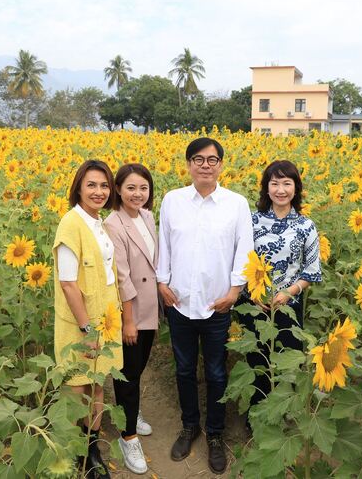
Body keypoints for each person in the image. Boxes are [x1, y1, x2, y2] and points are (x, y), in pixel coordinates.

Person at [156, 137, 253, 475]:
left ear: (221, 165)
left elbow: (245, 250)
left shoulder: (236, 204)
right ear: (188, 165)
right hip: (179, 303)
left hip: (218, 306)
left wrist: (235, 290)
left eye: (212, 159)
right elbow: (164, 244)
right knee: (183, 370)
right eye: (198, 159)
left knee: (215, 372)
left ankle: (214, 434)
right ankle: (189, 426)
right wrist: (161, 282)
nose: (205, 165)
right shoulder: (172, 201)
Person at [238, 160, 322, 431]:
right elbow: (240, 261)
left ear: (296, 188)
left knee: (287, 358)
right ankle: (256, 416)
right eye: (274, 183)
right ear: (266, 188)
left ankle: (282, 413)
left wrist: (288, 292)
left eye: (287, 183)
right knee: (257, 359)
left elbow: (311, 271)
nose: (280, 189)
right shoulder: (251, 220)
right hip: (256, 302)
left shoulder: (306, 226)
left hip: (288, 304)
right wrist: (253, 293)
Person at [52, 159, 123, 479]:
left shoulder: (98, 221)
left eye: (104, 185)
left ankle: (91, 449)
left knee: (96, 386)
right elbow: (68, 283)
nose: (99, 191)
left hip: (103, 316)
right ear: (78, 187)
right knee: (75, 388)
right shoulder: (71, 223)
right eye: (91, 185)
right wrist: (87, 328)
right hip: (81, 323)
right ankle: (66, 456)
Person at [104, 163, 159, 475]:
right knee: (127, 372)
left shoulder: (148, 216)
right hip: (131, 310)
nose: (138, 194)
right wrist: (128, 320)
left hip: (150, 307)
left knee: (137, 368)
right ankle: (128, 436)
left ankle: (130, 410)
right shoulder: (114, 223)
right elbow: (122, 276)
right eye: (131, 188)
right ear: (118, 191)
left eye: (143, 188)